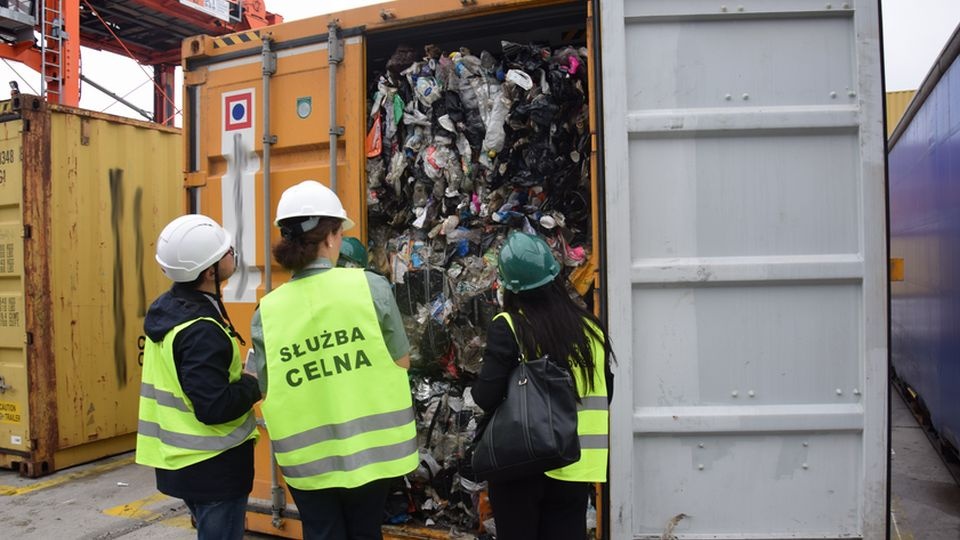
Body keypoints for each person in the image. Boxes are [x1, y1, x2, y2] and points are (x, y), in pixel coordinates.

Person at [248, 179, 417, 540]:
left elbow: (266, 386)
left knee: (322, 532)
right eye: (340, 235)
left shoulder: (268, 312)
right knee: (365, 531)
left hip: (307, 464)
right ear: (329, 237)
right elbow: (401, 363)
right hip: (372, 455)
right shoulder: (370, 287)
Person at [471, 230, 614, 540]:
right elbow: (607, 394)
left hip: (522, 463)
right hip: (575, 463)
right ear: (554, 275)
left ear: (508, 287)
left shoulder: (509, 326)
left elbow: (487, 396)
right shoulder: (591, 329)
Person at [136, 214, 261, 540]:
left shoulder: (169, 308)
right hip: (213, 467)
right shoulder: (200, 330)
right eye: (226, 251)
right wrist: (254, 381)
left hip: (182, 461)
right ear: (209, 273)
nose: (233, 252)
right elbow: (213, 407)